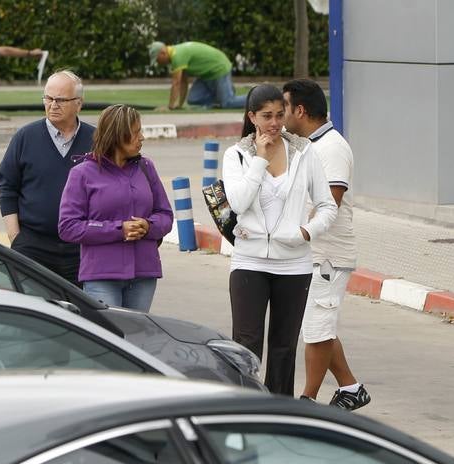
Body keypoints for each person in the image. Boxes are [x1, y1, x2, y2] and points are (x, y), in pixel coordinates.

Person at [222, 83, 337, 396]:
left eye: (279, 114)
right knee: (246, 345)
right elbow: (238, 203)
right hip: (249, 261)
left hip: (294, 264)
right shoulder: (236, 156)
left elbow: (327, 206)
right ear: (252, 117)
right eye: (266, 116)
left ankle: (278, 412)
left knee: (284, 349)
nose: (274, 123)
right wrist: (259, 159)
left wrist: (305, 232)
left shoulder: (304, 151)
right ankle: (243, 408)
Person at [283, 78, 369, 410]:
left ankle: (306, 403)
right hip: (311, 255)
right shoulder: (308, 146)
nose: (281, 116)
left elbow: (329, 204)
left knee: (317, 330)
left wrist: (292, 233)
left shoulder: (331, 147)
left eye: (285, 109)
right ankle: (350, 388)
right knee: (318, 324)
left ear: (300, 111)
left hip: (328, 256)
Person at [58, 105, 172, 311]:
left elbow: (165, 215)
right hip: (101, 276)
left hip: (144, 274)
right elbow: (68, 226)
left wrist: (148, 225)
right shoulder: (82, 173)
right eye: (136, 132)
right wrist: (120, 230)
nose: (142, 137)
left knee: (136, 338)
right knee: (108, 338)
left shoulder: (146, 167)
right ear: (118, 135)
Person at [0, 70, 94, 285]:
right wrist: (16, 238)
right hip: (33, 246)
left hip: (82, 247)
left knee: (81, 312)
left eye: (61, 100)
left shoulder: (96, 140)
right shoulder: (25, 137)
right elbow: (7, 189)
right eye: (48, 98)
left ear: (79, 103)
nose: (53, 105)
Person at [149, 40, 239, 109]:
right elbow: (183, 82)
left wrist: (170, 107)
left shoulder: (177, 56)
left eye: (157, 59)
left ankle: (252, 99)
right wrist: (179, 105)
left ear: (162, 53)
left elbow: (176, 83)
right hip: (206, 74)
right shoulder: (176, 53)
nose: (158, 62)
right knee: (193, 99)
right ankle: (223, 94)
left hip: (219, 68)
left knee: (227, 103)